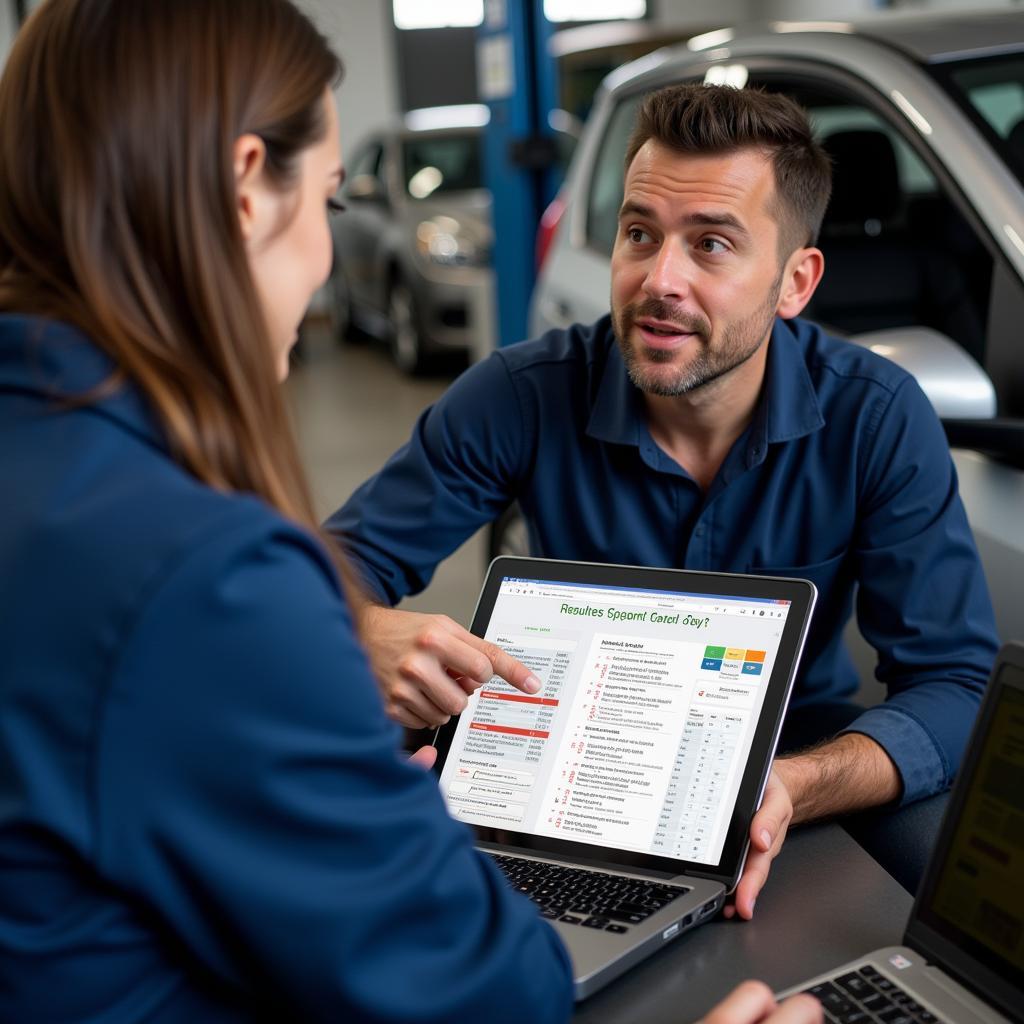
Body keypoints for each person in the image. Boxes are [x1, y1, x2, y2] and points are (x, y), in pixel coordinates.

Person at [0, 3, 827, 1022]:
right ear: (245, 188)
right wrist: (381, 808)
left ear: (796, 281)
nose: (321, 265)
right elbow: (492, 996)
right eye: (333, 203)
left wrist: (344, 782)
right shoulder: (200, 572)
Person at [329, 84, 1001, 906]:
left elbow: (955, 689)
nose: (660, 280)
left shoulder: (877, 416)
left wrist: (791, 784)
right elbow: (331, 568)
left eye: (712, 245)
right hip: (559, 779)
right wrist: (362, 625)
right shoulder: (522, 394)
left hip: (787, 769)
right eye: (639, 233)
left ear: (795, 282)